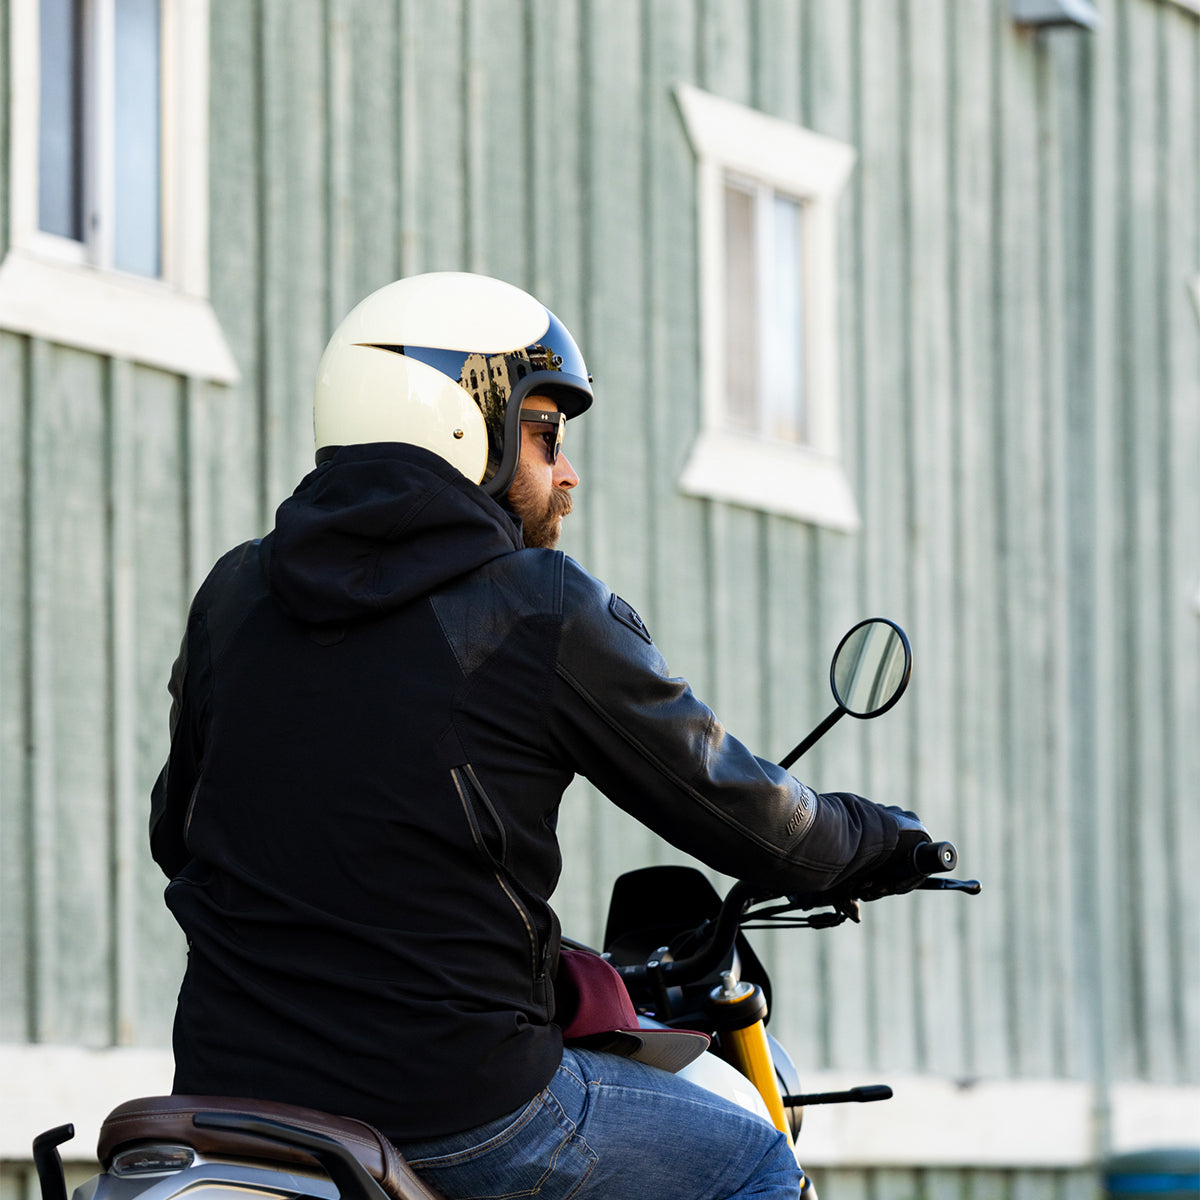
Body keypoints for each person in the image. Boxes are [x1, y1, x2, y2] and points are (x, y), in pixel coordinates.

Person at [150, 272, 930, 1199]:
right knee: (752, 1155)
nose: (567, 474)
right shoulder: (535, 607)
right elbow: (735, 804)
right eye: (546, 434)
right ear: (463, 425)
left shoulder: (233, 594)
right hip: (454, 1107)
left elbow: (177, 837)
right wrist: (873, 839)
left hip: (229, 1094)